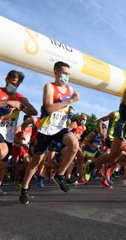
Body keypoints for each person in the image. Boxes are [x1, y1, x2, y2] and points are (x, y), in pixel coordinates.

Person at [19, 61, 80, 204]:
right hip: (46, 128)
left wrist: (70, 111)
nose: (66, 76)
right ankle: (25, 187)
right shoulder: (49, 87)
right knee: (36, 162)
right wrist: (70, 100)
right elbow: (49, 107)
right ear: (56, 73)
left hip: (60, 127)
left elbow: (64, 108)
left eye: (68, 74)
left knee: (74, 145)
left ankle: (60, 175)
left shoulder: (70, 89)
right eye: (64, 73)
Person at [0, 70, 37, 206]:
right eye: (12, 82)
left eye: (17, 84)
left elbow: (33, 112)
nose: (14, 86)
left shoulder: (20, 97)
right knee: (2, 151)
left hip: (8, 133)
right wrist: (7, 103)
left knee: (3, 164)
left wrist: (21, 106)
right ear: (6, 79)